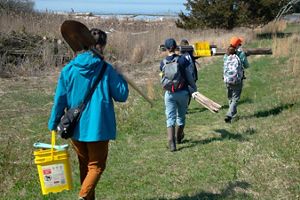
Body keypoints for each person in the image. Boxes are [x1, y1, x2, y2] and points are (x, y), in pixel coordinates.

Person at [48, 24, 129, 200]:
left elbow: (59, 99)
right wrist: (120, 74)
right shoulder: (106, 69)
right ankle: (83, 196)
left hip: (75, 127)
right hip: (98, 129)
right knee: (97, 167)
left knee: (86, 166)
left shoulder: (68, 69)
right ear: (102, 46)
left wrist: (53, 123)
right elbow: (122, 95)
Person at [160, 38, 197, 152]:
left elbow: (162, 76)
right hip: (183, 92)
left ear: (165, 48)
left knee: (170, 118)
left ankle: (172, 143)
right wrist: (194, 88)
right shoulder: (182, 60)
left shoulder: (163, 62)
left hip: (170, 93)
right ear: (176, 47)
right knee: (180, 116)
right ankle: (179, 137)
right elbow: (189, 75)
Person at [223, 36, 249, 123]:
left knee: (230, 97)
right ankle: (229, 115)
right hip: (237, 79)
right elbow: (246, 65)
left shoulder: (226, 54)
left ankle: (233, 115)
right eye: (240, 44)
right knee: (235, 98)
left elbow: (224, 66)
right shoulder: (240, 54)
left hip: (227, 79)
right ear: (237, 45)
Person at [179, 39, 199, 110]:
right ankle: (183, 107)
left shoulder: (190, 54)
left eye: (187, 45)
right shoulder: (180, 57)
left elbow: (198, 54)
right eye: (185, 45)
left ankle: (186, 107)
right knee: (185, 94)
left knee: (191, 94)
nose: (186, 47)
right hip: (185, 78)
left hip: (193, 77)